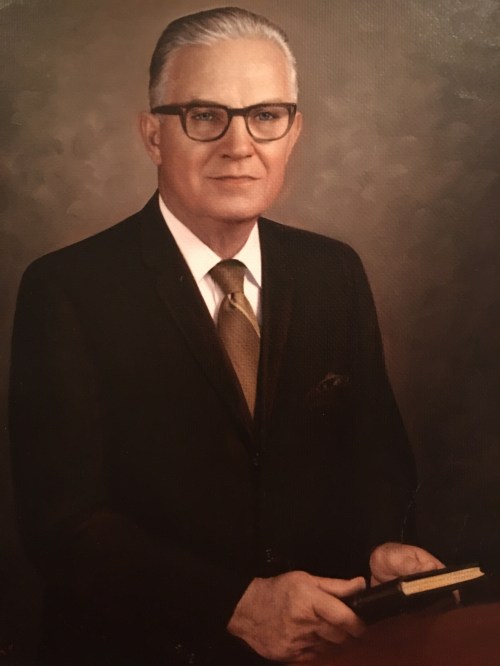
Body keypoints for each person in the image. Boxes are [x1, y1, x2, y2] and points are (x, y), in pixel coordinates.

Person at [9, 7, 443, 666]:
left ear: (294, 132)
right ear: (153, 135)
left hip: (322, 651)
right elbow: (61, 526)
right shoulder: (66, 288)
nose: (239, 146)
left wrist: (381, 545)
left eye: (265, 115)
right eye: (204, 115)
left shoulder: (333, 272)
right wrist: (235, 605)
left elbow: (377, 462)